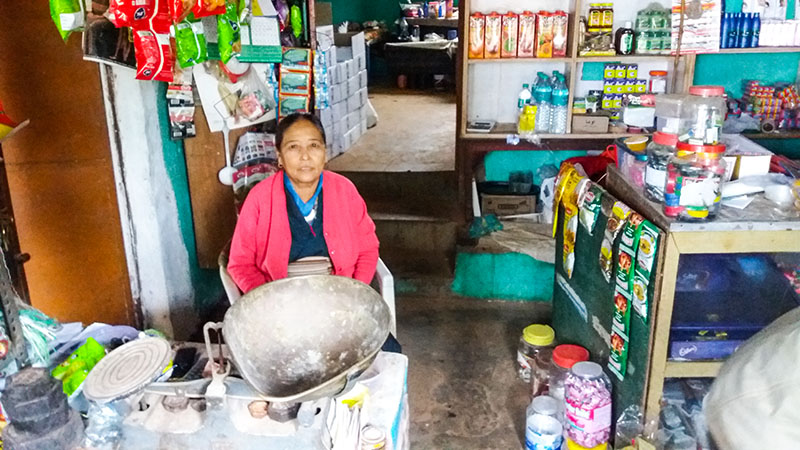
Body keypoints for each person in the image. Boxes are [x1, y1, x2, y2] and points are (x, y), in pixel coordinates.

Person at [227, 113, 380, 293]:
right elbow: (240, 264)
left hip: (340, 295)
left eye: (314, 146)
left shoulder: (344, 190)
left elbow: (367, 249)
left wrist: (355, 291)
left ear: (325, 153)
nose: (305, 156)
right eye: (293, 147)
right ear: (280, 157)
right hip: (279, 299)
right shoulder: (259, 197)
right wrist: (269, 301)